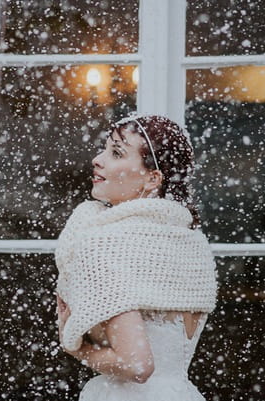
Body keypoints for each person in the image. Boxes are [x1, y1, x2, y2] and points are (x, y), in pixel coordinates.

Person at [54, 113, 217, 400]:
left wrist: (77, 348)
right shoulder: (192, 244)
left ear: (153, 178)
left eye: (116, 152)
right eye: (104, 148)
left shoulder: (105, 242)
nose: (98, 159)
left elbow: (137, 365)